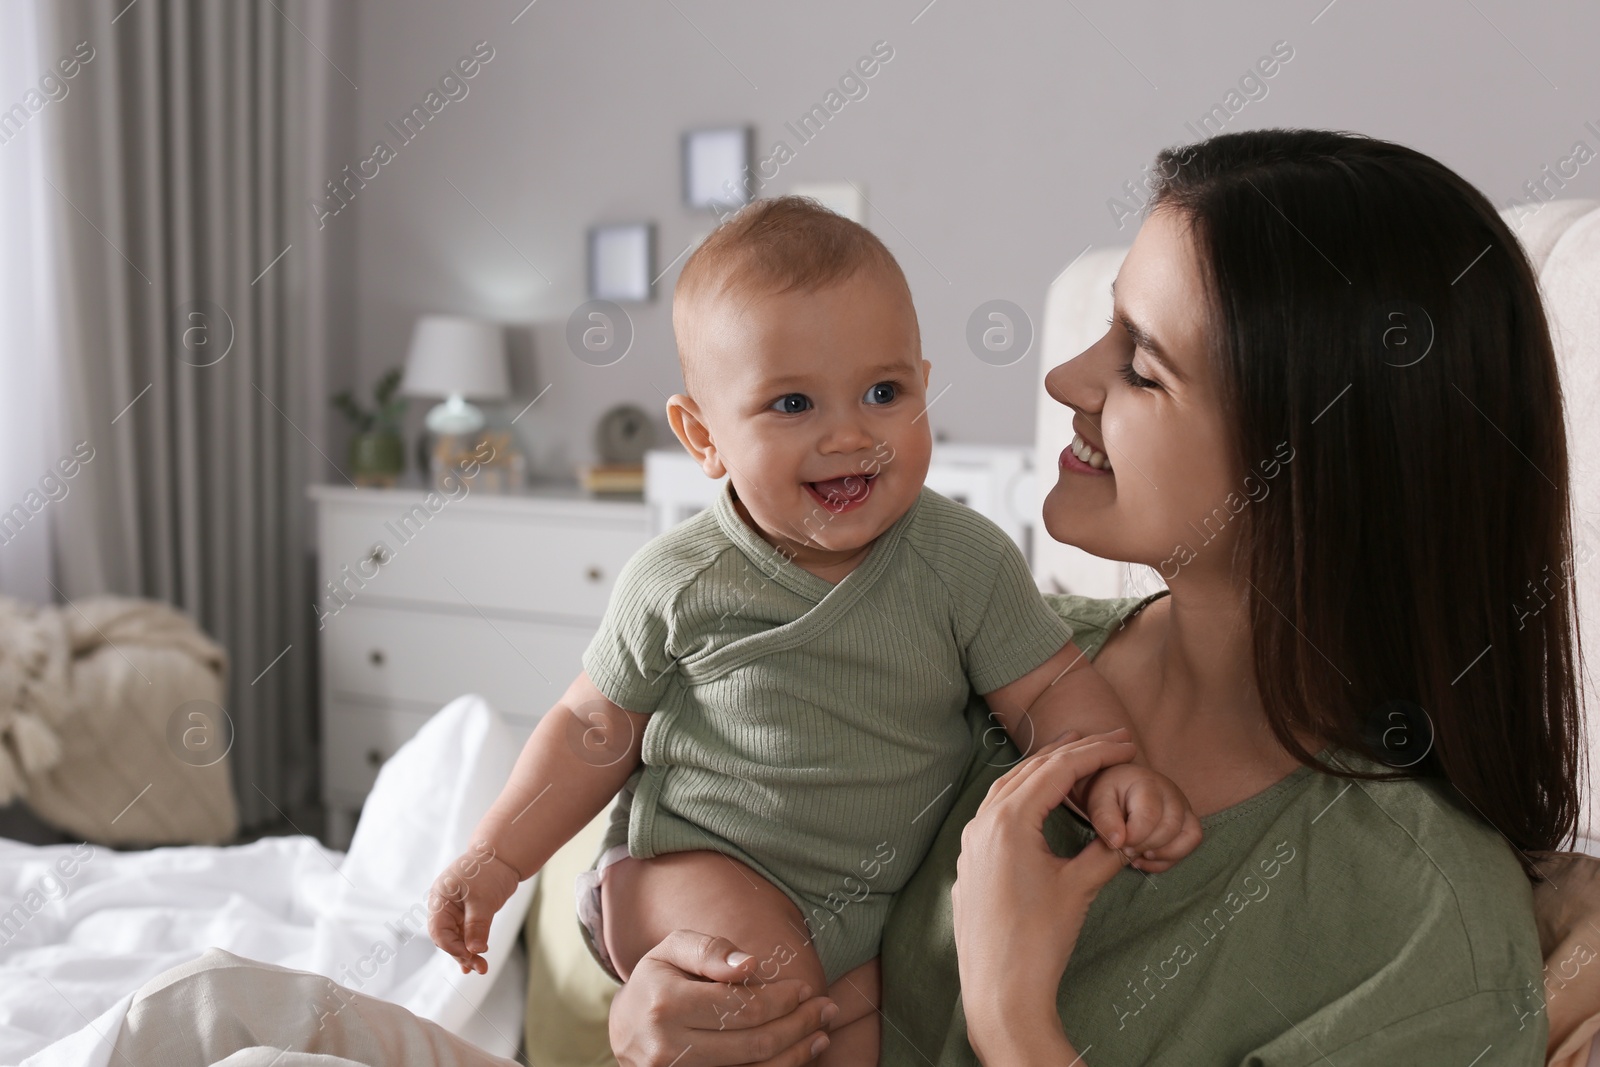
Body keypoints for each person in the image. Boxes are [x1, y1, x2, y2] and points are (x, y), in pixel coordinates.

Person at [605, 128, 1584, 1066]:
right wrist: (650, 988)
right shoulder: (984, 654)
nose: (1066, 376)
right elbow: (695, 816)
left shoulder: (1420, 915)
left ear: (1311, 461)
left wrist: (1015, 1020)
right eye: (1105, 326)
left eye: (1140, 365)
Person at [426, 196, 1200, 1065]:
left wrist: (1110, 775)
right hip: (695, 867)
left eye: (884, 391)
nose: (850, 434)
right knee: (765, 993)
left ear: (922, 378)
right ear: (703, 436)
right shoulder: (679, 579)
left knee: (853, 1040)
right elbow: (591, 728)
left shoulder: (964, 561)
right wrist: (496, 859)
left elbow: (1051, 689)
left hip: (873, 914)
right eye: (792, 402)